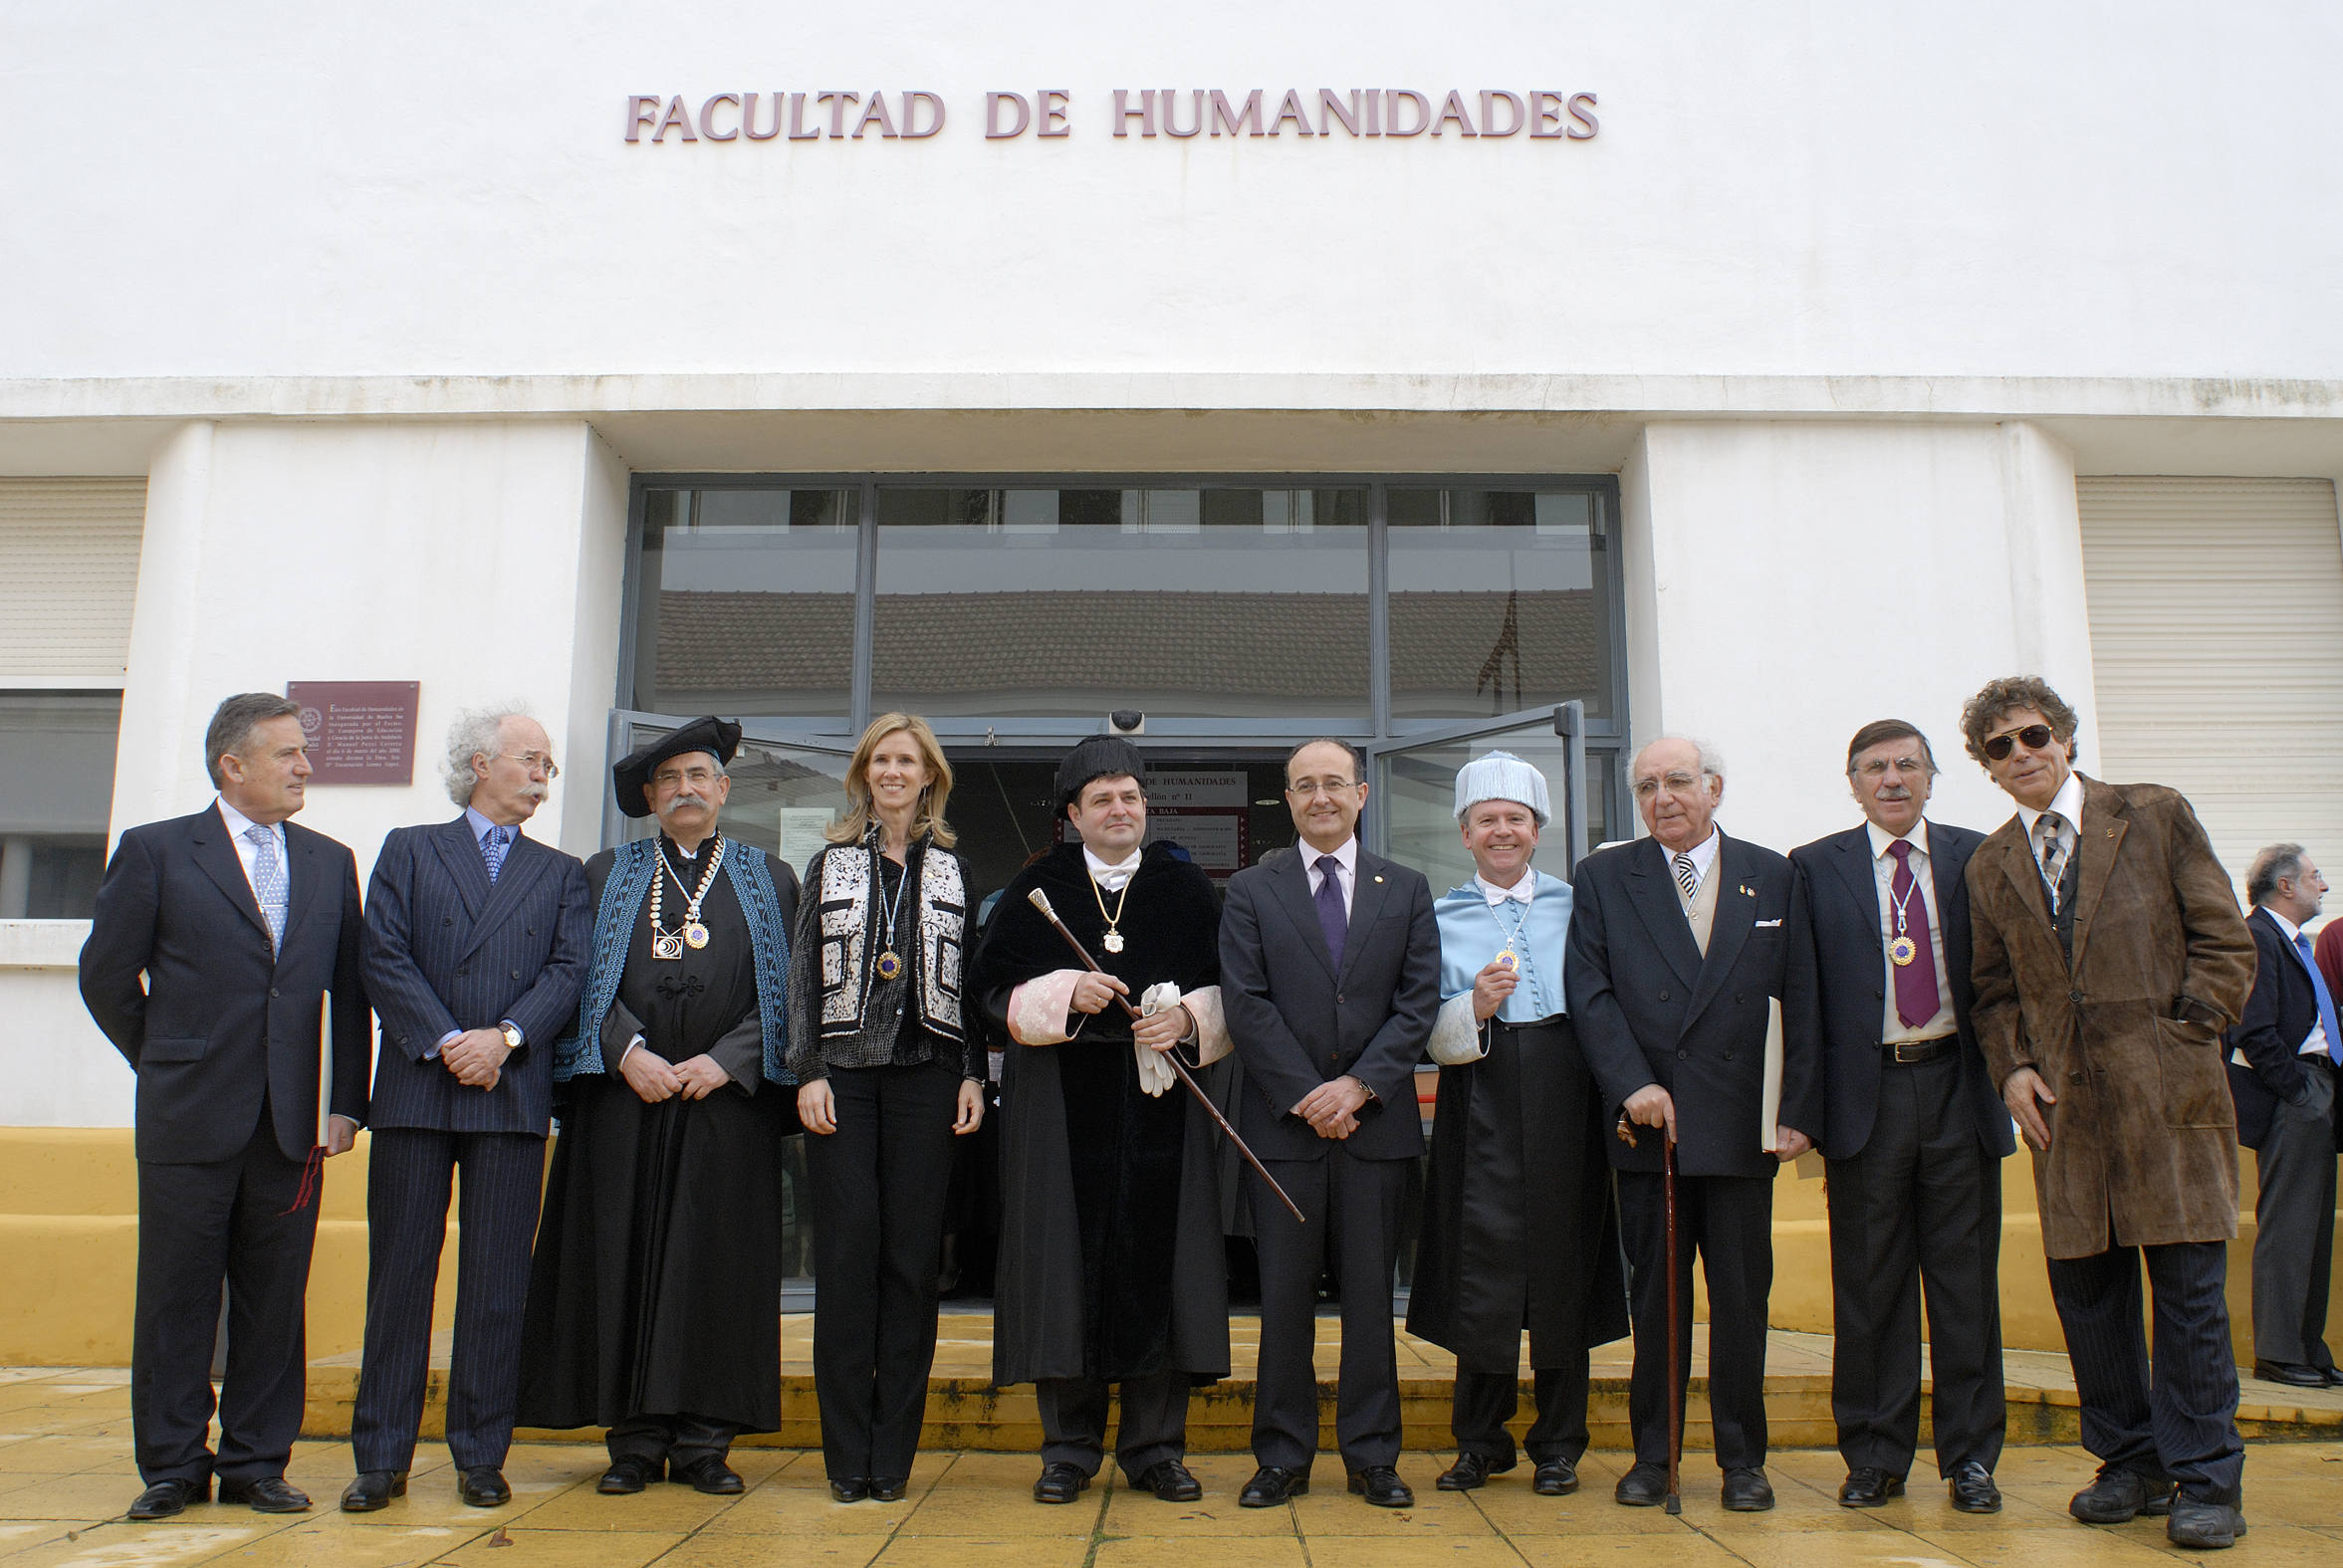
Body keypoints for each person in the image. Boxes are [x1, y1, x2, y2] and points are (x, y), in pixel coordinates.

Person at [1962, 675, 2256, 1549]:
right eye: (2000, 746)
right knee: (2087, 1294)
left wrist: (2191, 1030)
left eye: (2033, 734)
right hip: (2064, 1115)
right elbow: (1989, 990)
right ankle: (2129, 1460)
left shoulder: (2154, 812)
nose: (2022, 753)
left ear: (2065, 736)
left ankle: (2206, 1478)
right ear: (1985, 766)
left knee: (2188, 1297)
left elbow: (2224, 937)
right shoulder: (1989, 865)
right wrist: (2011, 1067)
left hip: (2167, 1099)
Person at [79, 693, 369, 1520]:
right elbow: (106, 976)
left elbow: (348, 993)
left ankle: (254, 1461)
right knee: (177, 1295)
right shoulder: (158, 850)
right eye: (287, 754)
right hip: (187, 1115)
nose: (305, 766)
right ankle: (172, 1463)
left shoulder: (327, 859)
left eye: (304, 752)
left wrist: (344, 1101)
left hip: (291, 1125)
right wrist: (166, 1057)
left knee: (274, 1297)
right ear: (232, 765)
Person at [515, 716, 800, 1493]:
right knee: (621, 1262)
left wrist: (730, 1059)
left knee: (717, 1270)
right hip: (624, 1105)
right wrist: (624, 1052)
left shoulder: (770, 877)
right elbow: (569, 974)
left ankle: (706, 1441)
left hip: (723, 1108)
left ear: (723, 789)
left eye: (698, 776)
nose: (685, 790)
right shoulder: (603, 872)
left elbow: (786, 994)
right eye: (669, 779)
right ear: (649, 795)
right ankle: (633, 1441)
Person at [969, 737, 1234, 1504]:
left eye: (1130, 797)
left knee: (1166, 1267)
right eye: (1103, 800)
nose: (1120, 810)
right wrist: (1062, 993)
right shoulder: (1035, 889)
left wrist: (1187, 1017)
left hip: (1164, 1106)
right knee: (1064, 1268)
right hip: (1060, 1107)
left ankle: (1154, 1447)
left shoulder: (1188, 889)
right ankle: (1068, 1448)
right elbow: (987, 991)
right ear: (1073, 815)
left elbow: (1233, 987)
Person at [1564, 736, 1820, 1513]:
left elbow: (1804, 994)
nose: (1662, 797)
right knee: (1657, 1303)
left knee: (1742, 1303)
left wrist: (1798, 1111)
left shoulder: (1772, 871)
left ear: (1714, 786)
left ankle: (1744, 1459)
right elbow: (1590, 988)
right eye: (1647, 786)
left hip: (1745, 1128)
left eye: (1677, 781)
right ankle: (1654, 1454)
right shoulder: (1606, 874)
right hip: (1655, 1127)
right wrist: (1631, 1082)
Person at [346, 706, 591, 1511]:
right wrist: (451, 1039)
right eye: (532, 760)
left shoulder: (560, 872)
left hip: (509, 1094)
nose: (541, 777)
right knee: (401, 1280)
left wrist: (505, 1037)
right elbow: (381, 953)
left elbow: (568, 969)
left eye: (547, 766)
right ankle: (380, 1456)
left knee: (495, 1286)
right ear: (481, 763)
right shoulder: (410, 849)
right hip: (419, 1090)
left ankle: (481, 1452)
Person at [1787, 721, 2010, 1514]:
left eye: (1906, 765)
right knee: (1870, 1287)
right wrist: (1798, 1112)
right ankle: (1874, 1455)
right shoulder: (1813, 867)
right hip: (1864, 1100)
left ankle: (1971, 1458)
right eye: (1874, 767)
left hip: (1958, 1086)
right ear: (1851, 782)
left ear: (1930, 776)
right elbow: (1803, 997)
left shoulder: (1978, 854)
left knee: (1962, 1287)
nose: (1891, 778)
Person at [1219, 737, 1441, 1510]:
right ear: (1287, 798)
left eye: (1333, 783)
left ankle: (1372, 1455)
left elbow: (1417, 1002)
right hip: (1283, 1132)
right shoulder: (1250, 888)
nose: (1320, 797)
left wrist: (1358, 1086)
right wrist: (1311, 1094)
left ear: (1361, 792)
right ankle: (1280, 1455)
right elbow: (1244, 1003)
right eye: (1304, 786)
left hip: (1374, 1130)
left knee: (1369, 1304)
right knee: (1282, 1301)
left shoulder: (1405, 886)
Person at [1408, 753, 1628, 1497]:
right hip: (1481, 1091)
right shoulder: (1437, 916)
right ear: (1464, 835)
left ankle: (1559, 1442)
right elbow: (1418, 1024)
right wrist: (1471, 1006)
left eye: (1515, 819)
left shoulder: (1579, 902)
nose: (1501, 831)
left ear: (1537, 831)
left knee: (1565, 1263)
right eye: (1485, 821)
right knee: (1483, 1268)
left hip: (1570, 1091)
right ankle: (1480, 1440)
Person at [787, 713, 986, 1503]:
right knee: (846, 1263)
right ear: (864, 774)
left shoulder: (954, 870)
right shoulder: (828, 862)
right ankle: (846, 1456)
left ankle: (891, 1456)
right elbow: (802, 974)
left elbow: (969, 986)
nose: (894, 772)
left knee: (910, 1265)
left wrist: (972, 1071)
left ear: (928, 775)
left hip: (927, 1080)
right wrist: (805, 1069)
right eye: (881, 760)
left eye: (907, 760)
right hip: (843, 1077)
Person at [2224, 844, 2339, 1389]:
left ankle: (2308, 1350)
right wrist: (2298, 1091)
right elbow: (2254, 1028)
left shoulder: (2293, 942)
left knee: (2313, 1229)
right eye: (2316, 877)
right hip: (2297, 1092)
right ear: (2286, 886)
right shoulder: (2257, 936)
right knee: (2289, 1225)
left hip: (2318, 1089)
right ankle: (2276, 1351)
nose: (2325, 886)